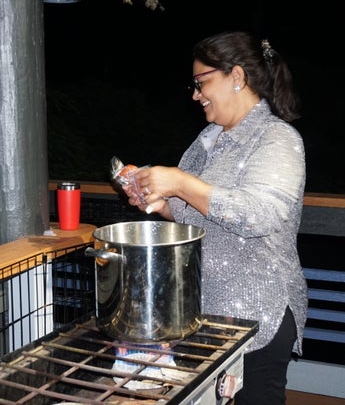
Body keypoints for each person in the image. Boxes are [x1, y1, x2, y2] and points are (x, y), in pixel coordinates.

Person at [123, 31, 308, 404]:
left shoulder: (278, 139)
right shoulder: (208, 139)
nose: (195, 94)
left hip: (259, 312)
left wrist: (179, 182)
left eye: (202, 82)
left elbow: (258, 215)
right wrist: (162, 203)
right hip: (208, 310)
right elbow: (199, 216)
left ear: (236, 77)